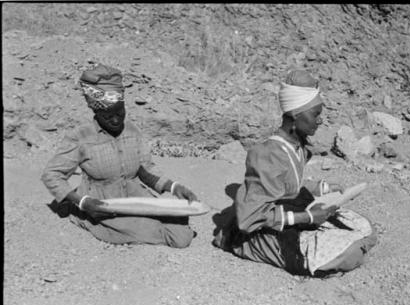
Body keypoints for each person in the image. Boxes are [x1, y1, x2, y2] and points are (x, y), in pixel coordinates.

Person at [213, 70, 377, 276]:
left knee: (363, 228)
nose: (320, 121)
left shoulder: (297, 147)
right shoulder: (268, 155)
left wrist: (321, 188)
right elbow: (248, 219)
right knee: (353, 252)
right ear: (294, 115)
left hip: (287, 214)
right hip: (258, 232)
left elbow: (286, 186)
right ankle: (244, 245)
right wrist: (306, 217)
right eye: (315, 114)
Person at [41, 64, 198, 248]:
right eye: (108, 115)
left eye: (120, 112)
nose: (116, 120)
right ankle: (79, 213)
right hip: (103, 204)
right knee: (173, 237)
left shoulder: (132, 130)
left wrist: (174, 187)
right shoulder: (81, 136)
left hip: (134, 196)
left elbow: (145, 170)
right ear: (96, 111)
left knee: (180, 231)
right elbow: (51, 175)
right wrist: (83, 202)